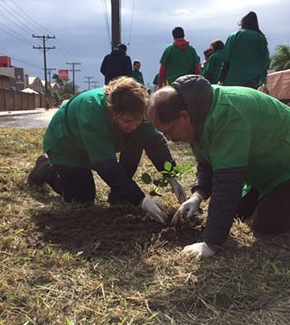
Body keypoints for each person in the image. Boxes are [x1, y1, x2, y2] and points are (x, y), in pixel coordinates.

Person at [148, 75, 290, 258]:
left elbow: (228, 184)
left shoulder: (228, 116)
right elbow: (207, 161)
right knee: (237, 211)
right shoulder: (197, 111)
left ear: (184, 117)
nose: (169, 139)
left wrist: (211, 243)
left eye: (168, 131)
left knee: (265, 224)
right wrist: (198, 194)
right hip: (268, 163)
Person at [28, 76, 187, 224]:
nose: (133, 126)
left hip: (96, 140)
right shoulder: (92, 113)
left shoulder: (139, 108)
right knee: (82, 198)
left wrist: (172, 176)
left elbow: (154, 143)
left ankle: (119, 195)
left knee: (139, 135)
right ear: (112, 112)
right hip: (67, 145)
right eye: (127, 121)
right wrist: (141, 200)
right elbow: (107, 167)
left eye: (138, 120)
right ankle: (46, 167)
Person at [219, 11, 270, 89]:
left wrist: (221, 80)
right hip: (253, 80)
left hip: (233, 80)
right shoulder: (260, 38)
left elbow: (226, 60)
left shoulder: (234, 36)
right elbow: (265, 62)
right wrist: (264, 82)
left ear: (243, 22)